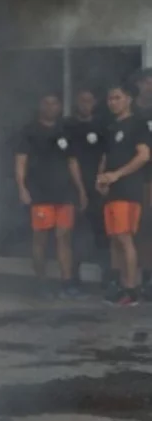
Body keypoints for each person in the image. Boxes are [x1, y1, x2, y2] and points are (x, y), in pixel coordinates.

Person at [15, 92, 88, 298]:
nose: (50, 107)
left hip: (65, 193)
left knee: (64, 238)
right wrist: (22, 187)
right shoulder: (29, 131)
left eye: (54, 103)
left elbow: (72, 162)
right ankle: (41, 282)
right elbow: (21, 160)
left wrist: (81, 190)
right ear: (40, 106)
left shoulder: (66, 130)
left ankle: (67, 283)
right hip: (39, 193)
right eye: (46, 103)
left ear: (60, 106)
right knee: (40, 240)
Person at [97, 83, 151, 307]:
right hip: (112, 192)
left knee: (125, 238)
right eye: (110, 98)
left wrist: (117, 175)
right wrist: (101, 178)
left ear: (128, 99)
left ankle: (132, 289)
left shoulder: (138, 124)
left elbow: (144, 156)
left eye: (117, 98)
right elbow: (106, 157)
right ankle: (120, 287)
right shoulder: (110, 127)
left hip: (128, 191)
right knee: (116, 240)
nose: (113, 102)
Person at [64, 88, 112, 287]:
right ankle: (73, 278)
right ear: (76, 102)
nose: (86, 104)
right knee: (75, 234)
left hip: (98, 187)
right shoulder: (68, 125)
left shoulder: (102, 125)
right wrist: (81, 191)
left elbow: (106, 155)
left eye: (89, 100)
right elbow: (70, 159)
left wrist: (100, 181)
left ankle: (108, 278)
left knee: (103, 233)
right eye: (82, 100)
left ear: (95, 102)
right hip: (73, 187)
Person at [132, 68, 152, 293]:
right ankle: (130, 278)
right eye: (147, 82)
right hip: (132, 177)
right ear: (138, 84)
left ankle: (148, 276)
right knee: (134, 229)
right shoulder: (130, 112)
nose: (150, 86)